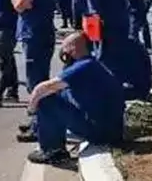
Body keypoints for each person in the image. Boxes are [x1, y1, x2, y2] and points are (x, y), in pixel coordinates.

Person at [25, 32, 125, 164]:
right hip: (112, 130)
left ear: (72, 49)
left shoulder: (82, 67)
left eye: (64, 47)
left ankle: (53, 151)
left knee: (46, 100)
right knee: (61, 94)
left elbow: (42, 89)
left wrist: (31, 110)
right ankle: (38, 128)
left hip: (100, 132)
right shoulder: (92, 64)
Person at [11, 0, 56, 144]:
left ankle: (41, 127)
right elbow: (18, 0)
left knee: (36, 83)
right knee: (36, 81)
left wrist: (17, 0)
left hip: (36, 36)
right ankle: (37, 122)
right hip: (36, 34)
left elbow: (19, 4)